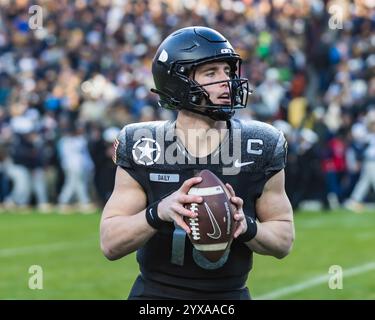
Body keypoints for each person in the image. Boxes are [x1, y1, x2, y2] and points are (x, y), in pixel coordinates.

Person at [100, 26, 295, 300]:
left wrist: (246, 225)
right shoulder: (145, 143)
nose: (226, 82)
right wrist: (159, 212)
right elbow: (110, 243)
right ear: (177, 81)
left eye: (228, 72)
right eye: (211, 73)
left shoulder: (259, 143)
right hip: (156, 297)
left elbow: (283, 240)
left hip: (229, 296)